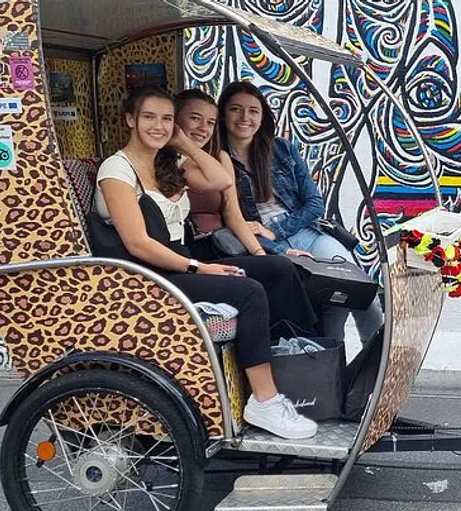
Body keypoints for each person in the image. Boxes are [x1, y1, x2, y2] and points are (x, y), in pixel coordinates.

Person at [92, 85, 317, 439]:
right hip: (148, 276)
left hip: (177, 264)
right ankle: (264, 400)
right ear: (130, 120)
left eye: (167, 119)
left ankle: (304, 362)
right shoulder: (117, 170)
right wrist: (200, 268)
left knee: (277, 269)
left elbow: (220, 180)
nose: (159, 126)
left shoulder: (165, 163)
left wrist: (182, 143)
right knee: (248, 292)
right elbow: (138, 243)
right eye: (149, 117)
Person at [217, 80, 384, 345]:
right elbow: (232, 222)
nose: (244, 117)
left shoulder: (282, 149)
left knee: (359, 290)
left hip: (307, 233)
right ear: (223, 114)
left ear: (262, 117)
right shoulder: (218, 160)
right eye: (235, 109)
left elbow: (314, 203)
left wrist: (276, 230)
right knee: (331, 303)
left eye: (253, 110)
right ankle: (333, 369)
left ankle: (375, 367)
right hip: (261, 245)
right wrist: (277, 247)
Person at [172, 89, 307, 260]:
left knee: (280, 267)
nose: (203, 128)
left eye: (210, 122)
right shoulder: (164, 161)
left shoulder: (219, 157)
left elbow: (233, 214)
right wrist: (185, 144)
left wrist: (261, 254)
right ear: (175, 119)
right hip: (191, 248)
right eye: (195, 119)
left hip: (224, 243)